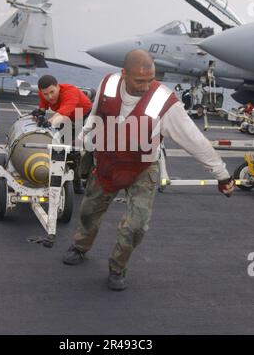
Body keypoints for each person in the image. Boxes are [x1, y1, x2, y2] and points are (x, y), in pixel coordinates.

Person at [62, 49, 235, 291]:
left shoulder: (164, 102)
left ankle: (117, 267)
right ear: (124, 74)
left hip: (143, 168)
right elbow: (94, 117)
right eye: (139, 81)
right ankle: (80, 246)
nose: (145, 86)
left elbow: (194, 139)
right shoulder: (108, 84)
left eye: (150, 80)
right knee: (89, 212)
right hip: (107, 163)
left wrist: (222, 173)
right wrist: (80, 144)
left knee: (136, 225)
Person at [31, 74, 92, 193]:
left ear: (58, 87)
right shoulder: (43, 93)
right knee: (61, 149)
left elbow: (61, 115)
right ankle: (63, 177)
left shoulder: (70, 93)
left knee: (76, 150)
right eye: (46, 94)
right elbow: (42, 110)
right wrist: (38, 115)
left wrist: (48, 123)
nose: (49, 96)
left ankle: (79, 183)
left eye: (52, 92)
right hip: (67, 118)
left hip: (84, 117)